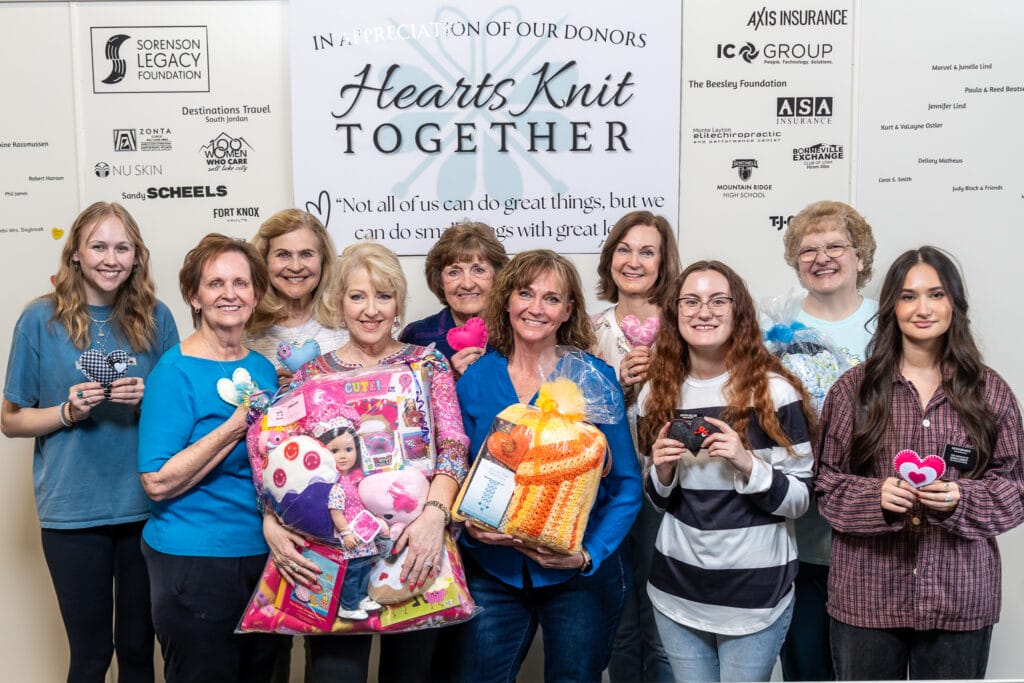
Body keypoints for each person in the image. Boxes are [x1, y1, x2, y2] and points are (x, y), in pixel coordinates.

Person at [815, 246, 1024, 680]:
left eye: (936, 294)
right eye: (908, 296)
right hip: (867, 599)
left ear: (954, 303)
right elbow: (825, 485)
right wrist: (875, 497)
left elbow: (1015, 488)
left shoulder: (990, 392)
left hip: (960, 598)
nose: (922, 308)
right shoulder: (853, 390)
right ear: (892, 307)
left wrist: (961, 499)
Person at [266, 242, 469, 683]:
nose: (371, 310)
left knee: (411, 674)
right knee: (333, 675)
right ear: (339, 301)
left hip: (414, 545)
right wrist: (270, 519)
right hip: (336, 548)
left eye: (384, 296)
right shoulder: (312, 376)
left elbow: (454, 446)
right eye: (357, 296)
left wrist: (434, 517)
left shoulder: (427, 364)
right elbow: (284, 461)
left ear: (399, 302)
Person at [1, 201, 178, 683]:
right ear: (76, 253)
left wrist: (146, 401)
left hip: (146, 508)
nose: (111, 259)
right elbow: (11, 421)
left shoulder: (156, 317)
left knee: (139, 651)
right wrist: (67, 412)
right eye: (98, 246)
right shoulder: (39, 319)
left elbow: (179, 417)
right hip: (71, 510)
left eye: (123, 248)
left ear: (137, 255)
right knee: (91, 654)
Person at [455, 249, 642, 683]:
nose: (536, 308)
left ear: (568, 311)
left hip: (576, 578)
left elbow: (627, 485)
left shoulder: (593, 379)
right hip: (493, 570)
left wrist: (588, 554)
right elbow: (455, 470)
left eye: (551, 298)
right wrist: (465, 525)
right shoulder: (476, 379)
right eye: (525, 293)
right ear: (506, 300)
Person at [639, 261, 815, 683]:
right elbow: (658, 500)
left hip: (756, 597)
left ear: (739, 311)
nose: (704, 311)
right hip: (677, 592)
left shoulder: (775, 393)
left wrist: (747, 463)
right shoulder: (655, 394)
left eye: (719, 300)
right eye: (691, 301)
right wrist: (663, 472)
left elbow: (801, 501)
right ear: (675, 313)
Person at [138, 234, 283, 682]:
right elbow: (156, 481)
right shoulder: (173, 371)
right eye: (215, 283)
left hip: (265, 556)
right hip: (194, 561)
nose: (229, 293)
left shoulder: (261, 368)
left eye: (241, 283)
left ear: (255, 294)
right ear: (194, 296)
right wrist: (234, 426)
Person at [774, 200, 877, 681]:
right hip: (801, 538)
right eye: (808, 249)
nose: (822, 258)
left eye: (836, 246)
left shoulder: (890, 323)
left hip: (875, 538)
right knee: (807, 665)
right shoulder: (776, 329)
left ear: (861, 256)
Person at [593, 210, 680, 683]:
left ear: (663, 262)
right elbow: (574, 417)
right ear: (610, 258)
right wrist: (617, 385)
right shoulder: (588, 330)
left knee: (663, 621)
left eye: (647, 252)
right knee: (620, 622)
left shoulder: (686, 325)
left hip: (666, 490)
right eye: (624, 250)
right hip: (605, 491)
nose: (634, 261)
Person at [246, 208, 347, 387]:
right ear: (263, 260)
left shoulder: (347, 325)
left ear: (323, 260)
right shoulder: (242, 331)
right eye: (283, 254)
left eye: (306, 254)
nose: (295, 266)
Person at [399, 221, 509, 375]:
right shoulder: (416, 336)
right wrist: (451, 377)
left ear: (497, 276)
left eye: (478, 270)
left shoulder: (515, 332)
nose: (467, 284)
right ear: (440, 281)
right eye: (454, 272)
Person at [317, 416, 388, 621]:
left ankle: (362, 597)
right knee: (351, 573)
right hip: (350, 536)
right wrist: (346, 533)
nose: (343, 456)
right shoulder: (335, 483)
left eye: (348, 449)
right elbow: (336, 512)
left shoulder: (355, 478)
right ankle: (348, 605)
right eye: (334, 451)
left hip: (364, 534)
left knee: (365, 568)